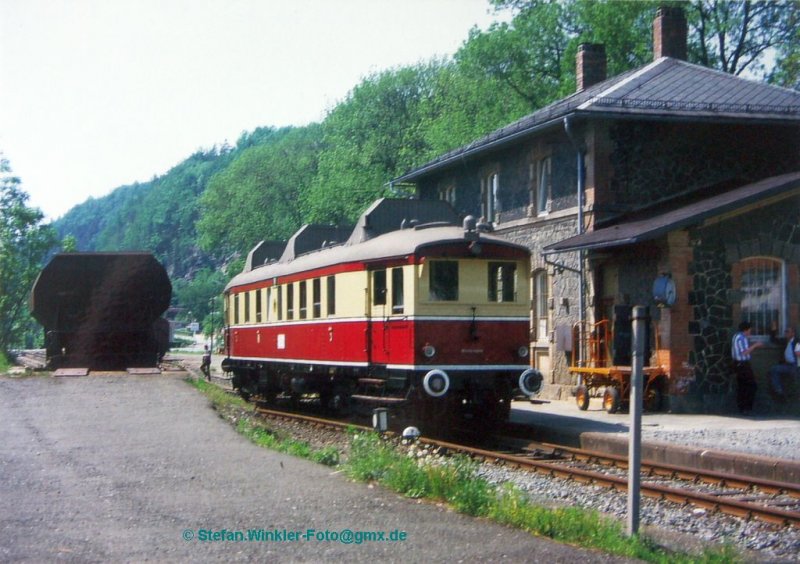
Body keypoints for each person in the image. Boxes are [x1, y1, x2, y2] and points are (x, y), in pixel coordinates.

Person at [731, 321, 763, 414]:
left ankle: (742, 407)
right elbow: (744, 352)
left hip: (738, 364)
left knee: (742, 386)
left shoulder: (735, 336)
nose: (750, 332)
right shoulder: (741, 338)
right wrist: (755, 345)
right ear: (746, 329)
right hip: (743, 364)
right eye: (750, 330)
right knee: (751, 386)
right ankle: (746, 407)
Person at [767, 326, 800, 401]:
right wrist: (773, 330)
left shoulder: (797, 342)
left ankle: (796, 395)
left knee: (795, 377)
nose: (786, 333)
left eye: (788, 332)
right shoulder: (785, 341)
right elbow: (773, 340)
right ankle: (779, 392)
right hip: (787, 365)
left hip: (795, 365)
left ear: (793, 333)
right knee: (774, 369)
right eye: (785, 332)